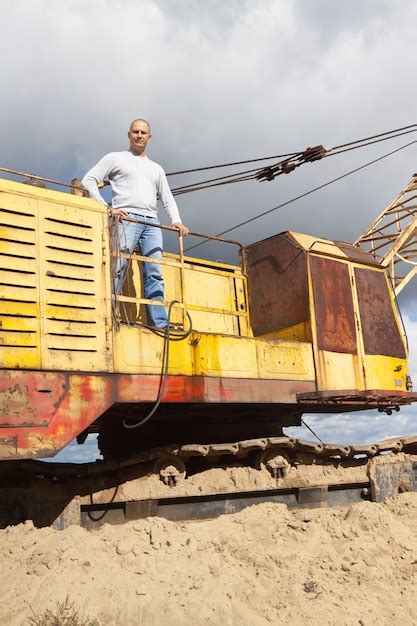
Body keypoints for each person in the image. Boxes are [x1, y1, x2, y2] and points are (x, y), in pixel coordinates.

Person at [81, 119, 189, 329]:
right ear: (129, 134)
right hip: (126, 218)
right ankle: (110, 315)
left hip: (152, 223)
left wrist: (176, 221)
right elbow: (89, 180)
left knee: (154, 271)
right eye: (136, 132)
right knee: (117, 267)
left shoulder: (156, 168)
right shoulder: (116, 158)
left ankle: (159, 322)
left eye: (143, 132)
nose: (139, 135)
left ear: (150, 137)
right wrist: (106, 207)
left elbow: (167, 197)